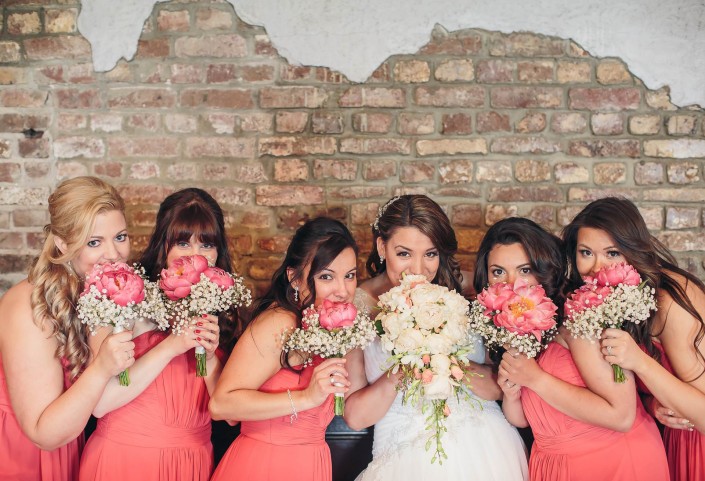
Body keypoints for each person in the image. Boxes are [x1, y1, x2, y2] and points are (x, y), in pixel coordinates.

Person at [344, 195, 528, 480]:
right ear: (382, 247)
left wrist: (449, 362)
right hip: (405, 451)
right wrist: (408, 365)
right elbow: (356, 417)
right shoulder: (355, 307)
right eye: (404, 253)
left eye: (430, 254)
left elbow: (497, 389)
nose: (418, 269)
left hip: (486, 446)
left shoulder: (468, 291)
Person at [498, 216, 670, 481]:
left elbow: (621, 416)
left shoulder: (578, 317)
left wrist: (536, 379)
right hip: (551, 463)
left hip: (612, 460)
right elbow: (526, 420)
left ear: (545, 269)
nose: (514, 284)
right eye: (498, 271)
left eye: (525, 270)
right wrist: (511, 393)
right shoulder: (516, 329)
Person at [79, 188, 234, 481]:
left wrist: (211, 359)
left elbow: (229, 414)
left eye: (207, 245)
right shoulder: (125, 300)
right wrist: (172, 346)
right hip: (124, 460)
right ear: (163, 246)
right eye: (183, 243)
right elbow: (100, 404)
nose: (195, 257)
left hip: (191, 462)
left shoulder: (221, 313)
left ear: (218, 251)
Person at [0, 176, 134, 481]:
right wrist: (101, 368)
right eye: (94, 242)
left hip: (70, 445)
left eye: (121, 236)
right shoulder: (29, 306)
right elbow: (42, 434)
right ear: (63, 244)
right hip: (23, 458)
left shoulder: (95, 293)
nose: (114, 254)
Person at [564, 197, 705, 481]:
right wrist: (653, 404)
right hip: (670, 438)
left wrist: (638, 360)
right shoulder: (605, 300)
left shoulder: (669, 300)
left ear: (633, 250)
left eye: (612, 253)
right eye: (586, 252)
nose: (597, 267)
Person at [209, 217, 356, 481]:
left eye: (350, 276)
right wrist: (305, 398)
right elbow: (222, 404)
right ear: (295, 278)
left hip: (311, 463)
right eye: (326, 276)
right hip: (265, 465)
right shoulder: (280, 322)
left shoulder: (330, 327)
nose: (343, 290)